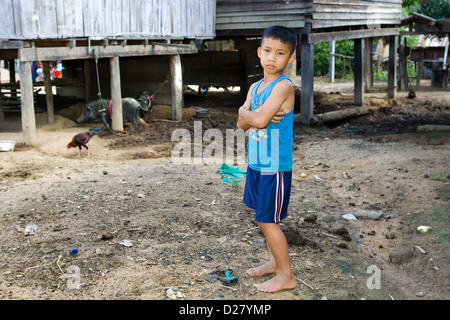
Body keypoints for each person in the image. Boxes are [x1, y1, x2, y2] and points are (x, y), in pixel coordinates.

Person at [237, 26, 297, 293]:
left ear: (290, 59)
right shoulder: (255, 86)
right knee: (264, 216)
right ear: (260, 53)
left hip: (275, 166)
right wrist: (247, 113)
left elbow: (257, 120)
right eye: (268, 51)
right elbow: (241, 123)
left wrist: (250, 113)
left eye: (281, 53)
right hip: (257, 163)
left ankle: (286, 275)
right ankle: (274, 263)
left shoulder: (283, 87)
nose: (273, 58)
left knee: (266, 220)